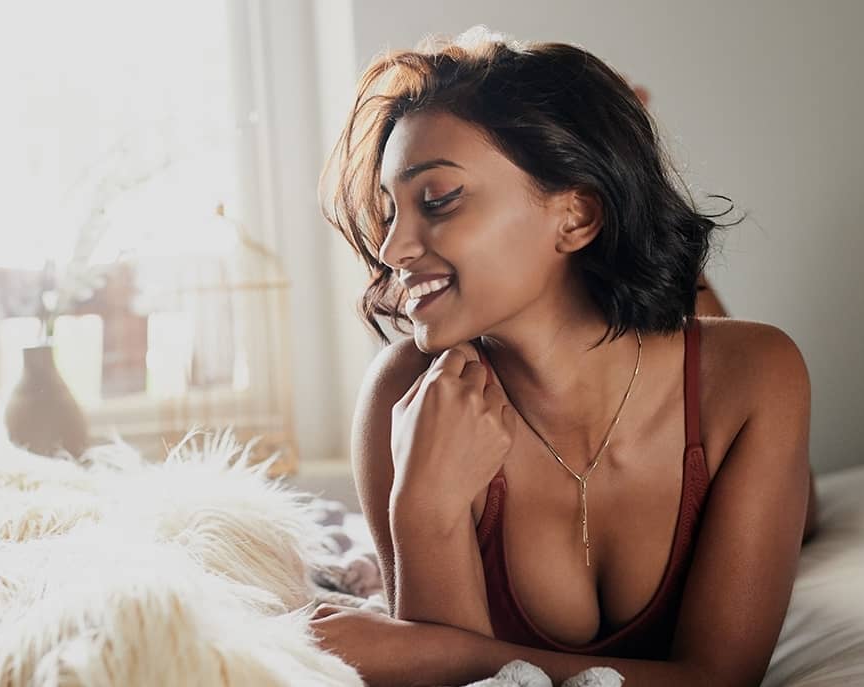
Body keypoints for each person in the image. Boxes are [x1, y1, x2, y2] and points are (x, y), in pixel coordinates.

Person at [310, 27, 814, 687]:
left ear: (574, 215)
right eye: (387, 211)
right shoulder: (401, 396)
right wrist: (424, 509)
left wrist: (443, 651)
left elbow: (721, 678)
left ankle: (635, 176)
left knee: (808, 509)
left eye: (435, 200)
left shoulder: (758, 374)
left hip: (699, 389)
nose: (393, 248)